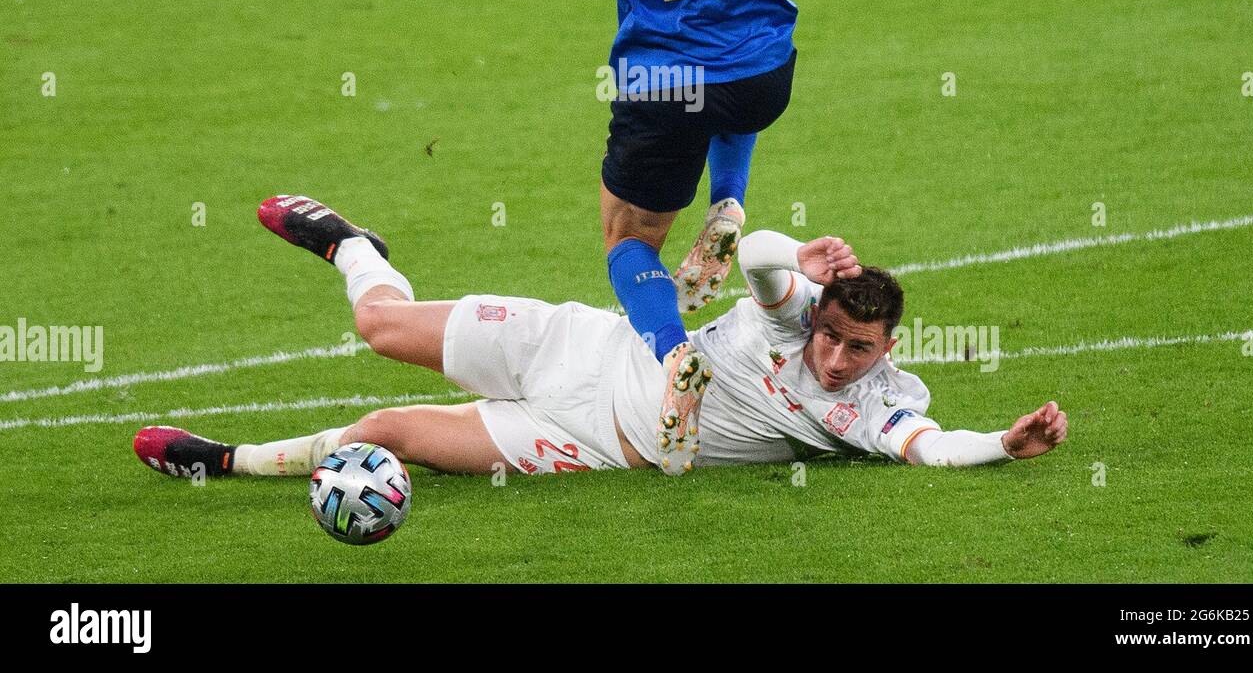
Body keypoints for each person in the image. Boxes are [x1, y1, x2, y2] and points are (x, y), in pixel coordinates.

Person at [317, 0, 1054, 471]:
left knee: (628, 239)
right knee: (739, 89)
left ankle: (673, 361)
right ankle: (729, 198)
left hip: (663, 81)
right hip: (764, 73)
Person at [134, 195, 1068, 481]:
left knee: (381, 432)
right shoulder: (795, 314)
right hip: (586, 351)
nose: (832, 359)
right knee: (378, 324)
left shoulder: (875, 407)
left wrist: (1002, 443)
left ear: (886, 349)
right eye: (829, 336)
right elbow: (764, 255)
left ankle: (226, 463)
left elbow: (933, 449)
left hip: (590, 443)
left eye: (856, 350)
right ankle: (351, 244)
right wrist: (806, 266)